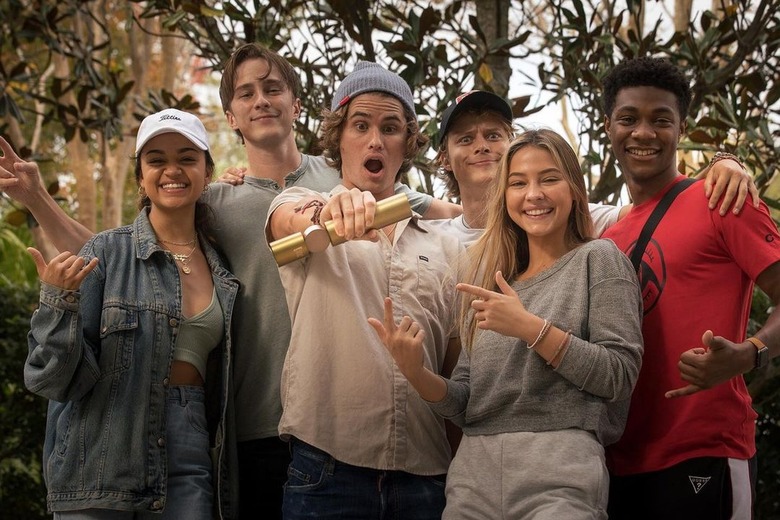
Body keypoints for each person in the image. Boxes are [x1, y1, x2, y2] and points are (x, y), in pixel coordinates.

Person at [0, 44, 452, 519]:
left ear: (296, 104)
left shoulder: (348, 175)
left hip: (342, 427)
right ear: (231, 117)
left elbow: (437, 214)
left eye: (273, 88)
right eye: (246, 93)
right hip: (253, 423)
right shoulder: (213, 200)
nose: (261, 100)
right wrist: (37, 200)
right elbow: (117, 262)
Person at [371, 128, 644, 519]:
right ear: (505, 197)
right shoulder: (494, 282)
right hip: (473, 475)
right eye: (518, 183)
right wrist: (416, 373)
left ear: (574, 189)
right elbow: (465, 403)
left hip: (559, 466)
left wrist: (531, 328)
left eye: (549, 178)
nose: (533, 194)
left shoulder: (599, 258)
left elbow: (618, 376)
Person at [10, 109, 239, 518]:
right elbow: (49, 378)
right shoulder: (105, 252)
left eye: (187, 158)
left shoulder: (224, 270)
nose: (173, 170)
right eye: (157, 160)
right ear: (141, 176)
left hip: (191, 449)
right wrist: (57, 303)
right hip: (102, 455)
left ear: (208, 172)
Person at [266, 61, 462, 519]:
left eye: (390, 128)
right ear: (338, 139)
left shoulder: (449, 247)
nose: (376, 140)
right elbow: (288, 221)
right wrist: (329, 213)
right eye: (361, 125)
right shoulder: (299, 204)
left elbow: (455, 375)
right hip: (325, 474)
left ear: (407, 144)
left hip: (428, 477)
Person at [601, 56, 780, 520]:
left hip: (704, 448)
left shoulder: (721, 200)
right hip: (617, 461)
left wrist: (750, 351)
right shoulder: (605, 240)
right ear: (609, 127)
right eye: (629, 119)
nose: (643, 133)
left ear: (682, 128)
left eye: (661, 119)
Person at [429, 90, 758, 246]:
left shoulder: (567, 217)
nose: (482, 146)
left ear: (512, 144)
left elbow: (660, 207)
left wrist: (722, 163)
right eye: (466, 139)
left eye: (493, 135)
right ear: (444, 157)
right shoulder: (433, 240)